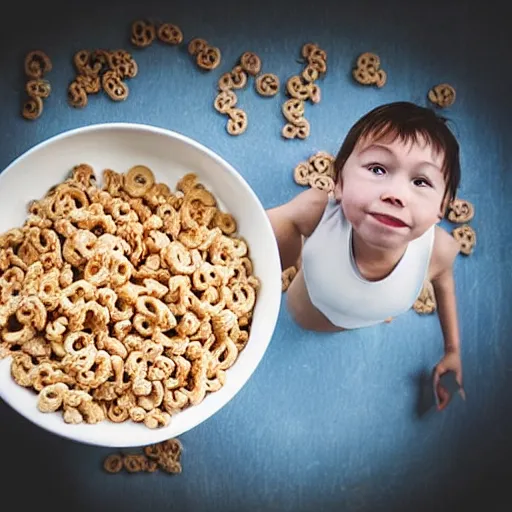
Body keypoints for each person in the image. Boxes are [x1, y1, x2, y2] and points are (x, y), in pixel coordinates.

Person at [267, 101, 465, 410]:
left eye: (421, 181)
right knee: (303, 317)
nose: (396, 194)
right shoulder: (318, 212)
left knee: (365, 314)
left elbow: (445, 284)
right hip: (309, 305)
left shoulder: (438, 250)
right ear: (340, 182)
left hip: (370, 315)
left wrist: (452, 349)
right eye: (378, 169)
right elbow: (265, 228)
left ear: (443, 207)